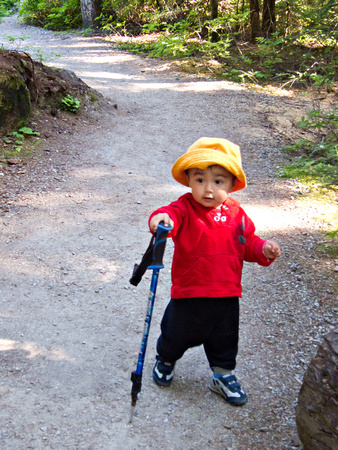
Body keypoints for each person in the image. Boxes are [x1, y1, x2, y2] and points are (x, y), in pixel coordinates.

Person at [148, 137, 281, 406]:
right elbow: (169, 215)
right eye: (200, 180)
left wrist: (263, 249)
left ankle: (222, 375)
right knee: (176, 333)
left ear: (232, 184)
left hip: (226, 292)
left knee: (225, 338)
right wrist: (161, 219)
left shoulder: (237, 214)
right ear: (188, 180)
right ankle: (166, 359)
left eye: (218, 181)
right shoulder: (184, 208)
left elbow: (249, 242)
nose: (208, 189)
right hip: (189, 291)